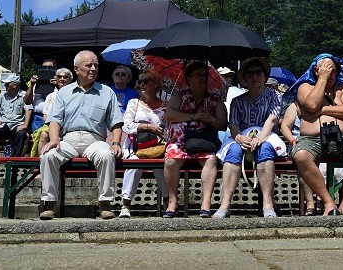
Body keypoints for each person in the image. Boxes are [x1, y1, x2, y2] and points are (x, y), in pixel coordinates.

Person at [39, 50, 123, 220]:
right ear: (77, 69)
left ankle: (105, 204)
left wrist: (115, 142)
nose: (93, 68)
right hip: (68, 139)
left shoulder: (107, 92)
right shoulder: (64, 92)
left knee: (107, 155)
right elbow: (54, 120)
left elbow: (116, 122)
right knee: (48, 155)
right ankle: (50, 204)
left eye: (96, 65)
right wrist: (54, 140)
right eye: (89, 65)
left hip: (95, 139)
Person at [292, 54, 343, 216]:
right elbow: (311, 104)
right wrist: (322, 80)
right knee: (301, 156)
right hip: (312, 139)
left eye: (333, 71)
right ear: (316, 70)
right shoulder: (305, 87)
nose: (331, 74)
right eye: (326, 70)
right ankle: (328, 203)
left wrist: (321, 110)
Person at [212, 57, 284, 219]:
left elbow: (272, 119)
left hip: (266, 135)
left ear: (265, 76)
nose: (255, 77)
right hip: (242, 136)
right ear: (244, 78)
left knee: (265, 149)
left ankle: (267, 204)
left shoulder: (275, 96)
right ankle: (225, 205)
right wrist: (239, 138)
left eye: (258, 73)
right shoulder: (237, 101)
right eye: (250, 74)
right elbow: (234, 124)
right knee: (233, 152)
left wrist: (261, 138)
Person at [163, 61, 226, 218]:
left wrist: (210, 119)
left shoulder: (215, 99)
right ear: (188, 78)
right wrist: (193, 116)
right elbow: (170, 114)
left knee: (210, 160)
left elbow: (223, 124)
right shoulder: (180, 95)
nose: (202, 79)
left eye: (204, 76)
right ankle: (172, 200)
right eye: (197, 75)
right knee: (171, 160)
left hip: (204, 142)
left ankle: (206, 203)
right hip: (179, 142)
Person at [120, 68, 167, 218]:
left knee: (163, 166)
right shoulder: (134, 103)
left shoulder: (166, 106)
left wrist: (169, 117)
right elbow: (126, 125)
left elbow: (170, 131)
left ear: (156, 84)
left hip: (159, 146)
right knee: (134, 165)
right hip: (136, 146)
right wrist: (148, 127)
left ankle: (168, 201)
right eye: (139, 81)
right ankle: (125, 204)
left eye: (146, 81)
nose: (142, 84)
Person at [0, 74, 32, 157]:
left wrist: (25, 124)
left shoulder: (24, 95)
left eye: (7, 84)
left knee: (22, 135)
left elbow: (28, 110)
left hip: (17, 125)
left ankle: (15, 160)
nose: (5, 86)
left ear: (15, 85)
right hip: (3, 125)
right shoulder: (2, 95)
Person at [31, 68, 73, 156]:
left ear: (70, 79)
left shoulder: (74, 95)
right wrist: (53, 128)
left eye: (65, 77)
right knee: (43, 135)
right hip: (51, 125)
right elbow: (45, 115)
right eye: (59, 77)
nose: (62, 79)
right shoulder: (51, 96)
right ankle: (41, 163)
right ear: (56, 79)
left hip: (69, 126)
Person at [24, 58, 57, 133]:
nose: (46, 70)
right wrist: (31, 86)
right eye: (44, 67)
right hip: (37, 117)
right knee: (37, 140)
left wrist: (58, 86)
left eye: (49, 68)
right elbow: (27, 101)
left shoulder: (58, 83)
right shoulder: (36, 83)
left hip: (52, 117)